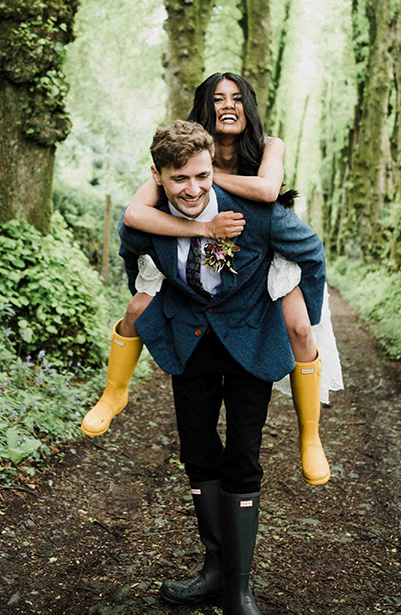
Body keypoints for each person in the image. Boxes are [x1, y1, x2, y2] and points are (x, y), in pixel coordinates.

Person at [81, 73, 342, 487]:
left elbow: (268, 190)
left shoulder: (267, 147)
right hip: (194, 240)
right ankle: (115, 392)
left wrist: (205, 177)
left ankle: (310, 434)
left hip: (262, 243)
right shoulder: (182, 153)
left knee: (298, 328)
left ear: (248, 107)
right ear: (205, 109)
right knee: (137, 307)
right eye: (218, 98)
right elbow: (133, 219)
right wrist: (192, 188)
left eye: (237, 98)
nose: (228, 105)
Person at [113, 119, 326, 614]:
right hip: (192, 345)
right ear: (159, 178)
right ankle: (213, 569)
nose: (193, 188)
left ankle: (239, 587)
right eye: (180, 179)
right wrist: (158, 306)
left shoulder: (257, 212)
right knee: (198, 451)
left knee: (243, 456)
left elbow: (310, 252)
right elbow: (134, 254)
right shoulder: (149, 216)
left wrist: (299, 312)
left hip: (251, 343)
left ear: (214, 170)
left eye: (202, 177)